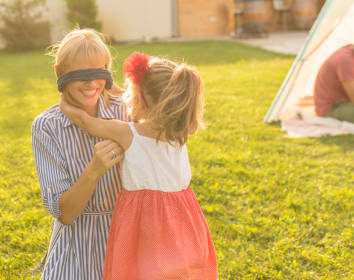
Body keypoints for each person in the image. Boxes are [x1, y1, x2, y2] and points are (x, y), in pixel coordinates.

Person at [59, 51, 218, 280]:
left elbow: (85, 122)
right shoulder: (178, 131)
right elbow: (153, 101)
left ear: (141, 99)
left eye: (132, 94)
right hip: (183, 222)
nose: (127, 98)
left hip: (145, 225)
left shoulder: (126, 132)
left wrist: (64, 103)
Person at [30, 29, 128, 279]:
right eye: (80, 75)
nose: (90, 83)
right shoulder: (47, 127)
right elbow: (66, 213)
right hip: (77, 244)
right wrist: (94, 170)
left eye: (98, 72)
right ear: (59, 73)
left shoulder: (127, 111)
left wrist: (119, 91)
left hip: (127, 237)